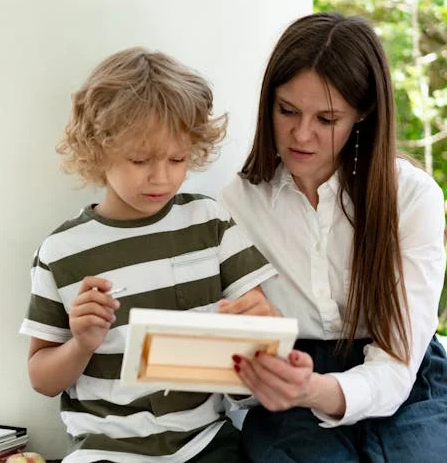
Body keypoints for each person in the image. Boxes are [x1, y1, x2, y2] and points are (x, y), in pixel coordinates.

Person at [218, 13, 447, 462]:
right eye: (288, 110)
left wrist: (320, 388)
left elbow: (396, 367)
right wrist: (254, 352)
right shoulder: (237, 203)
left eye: (327, 118)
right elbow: (232, 377)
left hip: (406, 373)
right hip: (294, 379)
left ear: (363, 113)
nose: (302, 134)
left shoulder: (411, 197)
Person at [19, 46, 278, 463]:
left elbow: (262, 329)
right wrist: (82, 344)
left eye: (177, 159)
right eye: (140, 160)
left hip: (205, 441)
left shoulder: (209, 222)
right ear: (98, 149)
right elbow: (42, 379)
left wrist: (253, 330)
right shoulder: (62, 252)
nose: (161, 177)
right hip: (106, 448)